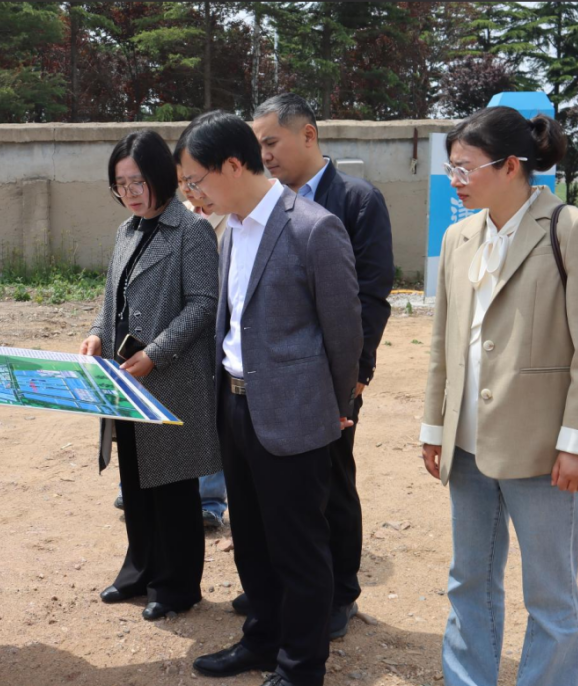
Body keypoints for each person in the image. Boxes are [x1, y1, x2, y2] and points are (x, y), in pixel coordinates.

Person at [420, 107, 578, 686]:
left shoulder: (571, 229)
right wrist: (435, 428)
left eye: (464, 169)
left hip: (542, 448)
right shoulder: (460, 237)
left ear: (511, 166)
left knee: (550, 592)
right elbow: (444, 342)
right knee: (469, 579)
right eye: (451, 169)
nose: (455, 181)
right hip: (466, 442)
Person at [178, 111, 361, 686]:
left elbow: (344, 333)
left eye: (194, 181)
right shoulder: (231, 227)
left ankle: (302, 666)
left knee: (299, 549)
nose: (191, 194)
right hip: (235, 407)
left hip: (295, 415)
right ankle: (262, 639)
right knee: (251, 541)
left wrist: (331, 408)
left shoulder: (313, 228)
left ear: (233, 166)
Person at [235, 93, 394, 637]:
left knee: (332, 481)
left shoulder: (356, 200)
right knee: (275, 492)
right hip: (274, 380)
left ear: (308, 135)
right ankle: (283, 586)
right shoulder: (260, 204)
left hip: (331, 379)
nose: (265, 156)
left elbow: (369, 299)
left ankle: (339, 591)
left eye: (271, 143)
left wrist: (353, 379)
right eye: (257, 146)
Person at [80, 130, 221, 621]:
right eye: (120, 183)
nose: (131, 191)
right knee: (136, 481)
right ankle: (138, 571)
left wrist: (157, 354)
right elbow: (109, 302)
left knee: (174, 489)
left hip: (170, 378)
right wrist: (98, 334)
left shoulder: (192, 230)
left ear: (161, 175)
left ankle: (178, 586)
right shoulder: (126, 231)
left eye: (138, 180)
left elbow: (205, 304)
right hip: (125, 379)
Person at [178, 166, 229, 529]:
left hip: (219, 331)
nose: (190, 189)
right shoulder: (174, 216)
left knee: (213, 416)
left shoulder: (237, 218)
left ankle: (210, 499)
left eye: (196, 181)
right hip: (176, 332)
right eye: (184, 182)